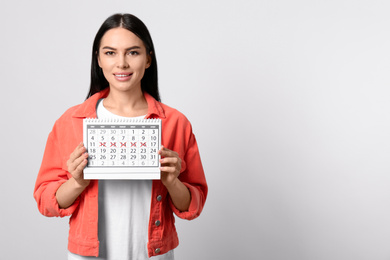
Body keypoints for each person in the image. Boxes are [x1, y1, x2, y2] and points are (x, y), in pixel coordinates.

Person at [34, 13, 208, 260]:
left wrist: (172, 181)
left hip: (153, 254)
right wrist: (77, 183)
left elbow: (193, 205)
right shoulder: (70, 122)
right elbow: (45, 200)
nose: (122, 63)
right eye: (110, 52)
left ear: (148, 59)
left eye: (133, 52)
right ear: (98, 60)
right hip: (89, 255)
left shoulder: (175, 123)